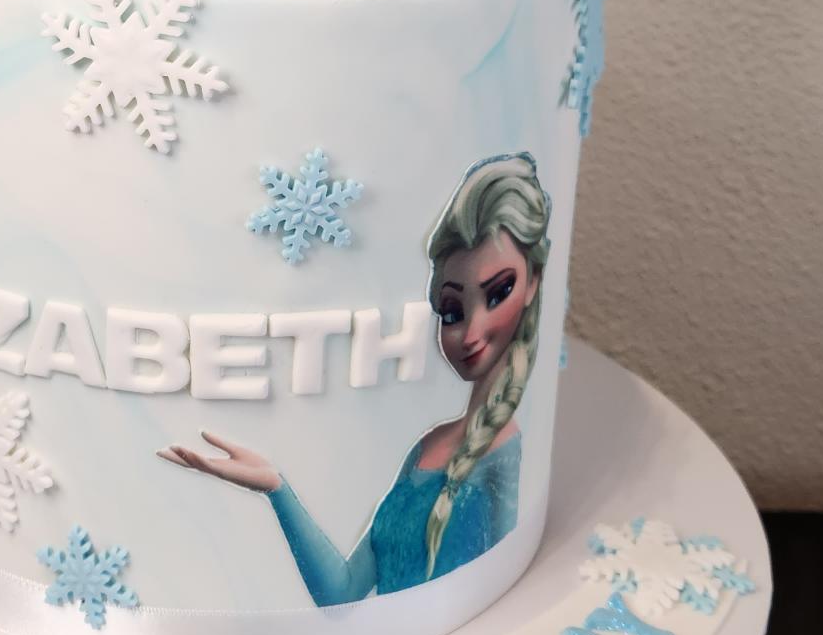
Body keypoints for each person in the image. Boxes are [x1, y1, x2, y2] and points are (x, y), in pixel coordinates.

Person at [159, 154, 552, 603]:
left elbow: (503, 593)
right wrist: (275, 487)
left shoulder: (506, 451)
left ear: (533, 282)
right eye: (452, 312)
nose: (472, 333)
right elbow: (342, 593)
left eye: (499, 293)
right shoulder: (426, 449)